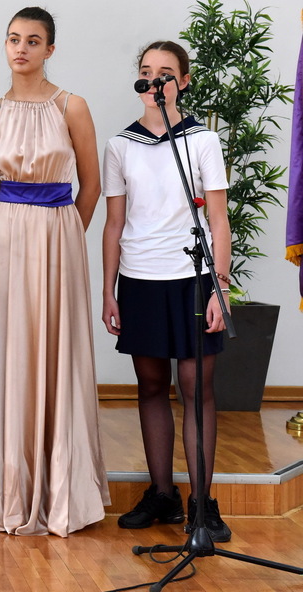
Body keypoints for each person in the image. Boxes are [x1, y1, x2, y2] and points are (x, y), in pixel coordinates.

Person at [0, 6, 109, 536]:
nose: (21, 48)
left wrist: (67, 233)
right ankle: (9, 484)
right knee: (10, 348)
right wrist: (19, 225)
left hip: (59, 234)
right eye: (14, 39)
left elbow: (91, 183)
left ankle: (61, 486)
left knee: (57, 347)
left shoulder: (72, 105)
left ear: (50, 49)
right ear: (5, 46)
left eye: (33, 40)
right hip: (8, 234)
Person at [102, 40, 232, 542]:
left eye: (166, 72)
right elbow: (114, 224)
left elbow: (217, 220)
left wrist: (220, 287)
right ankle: (162, 494)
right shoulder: (120, 145)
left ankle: (203, 503)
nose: (154, 80)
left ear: (184, 81)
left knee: (196, 389)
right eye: (146, 71)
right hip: (140, 278)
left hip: (192, 277)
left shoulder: (202, 141)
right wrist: (109, 290)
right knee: (151, 386)